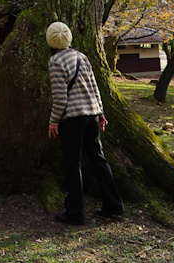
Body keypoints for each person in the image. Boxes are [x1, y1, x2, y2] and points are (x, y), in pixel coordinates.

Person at [46, 21, 124, 226]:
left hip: (72, 119)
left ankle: (75, 213)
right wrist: (101, 113)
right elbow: (94, 87)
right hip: (91, 114)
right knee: (98, 159)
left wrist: (53, 122)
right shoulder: (82, 57)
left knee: (73, 164)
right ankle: (114, 206)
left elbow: (60, 98)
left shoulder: (55, 62)